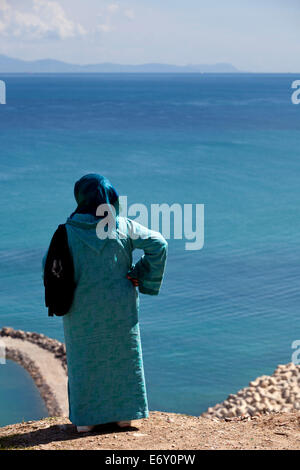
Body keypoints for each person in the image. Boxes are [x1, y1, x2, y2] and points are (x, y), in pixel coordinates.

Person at [46, 174, 168, 433]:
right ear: (110, 199)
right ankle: (125, 416)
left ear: (80, 198)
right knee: (122, 357)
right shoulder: (123, 226)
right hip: (120, 308)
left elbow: (49, 266)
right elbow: (159, 244)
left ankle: (87, 421)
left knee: (84, 360)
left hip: (80, 310)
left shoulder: (66, 232)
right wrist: (140, 274)